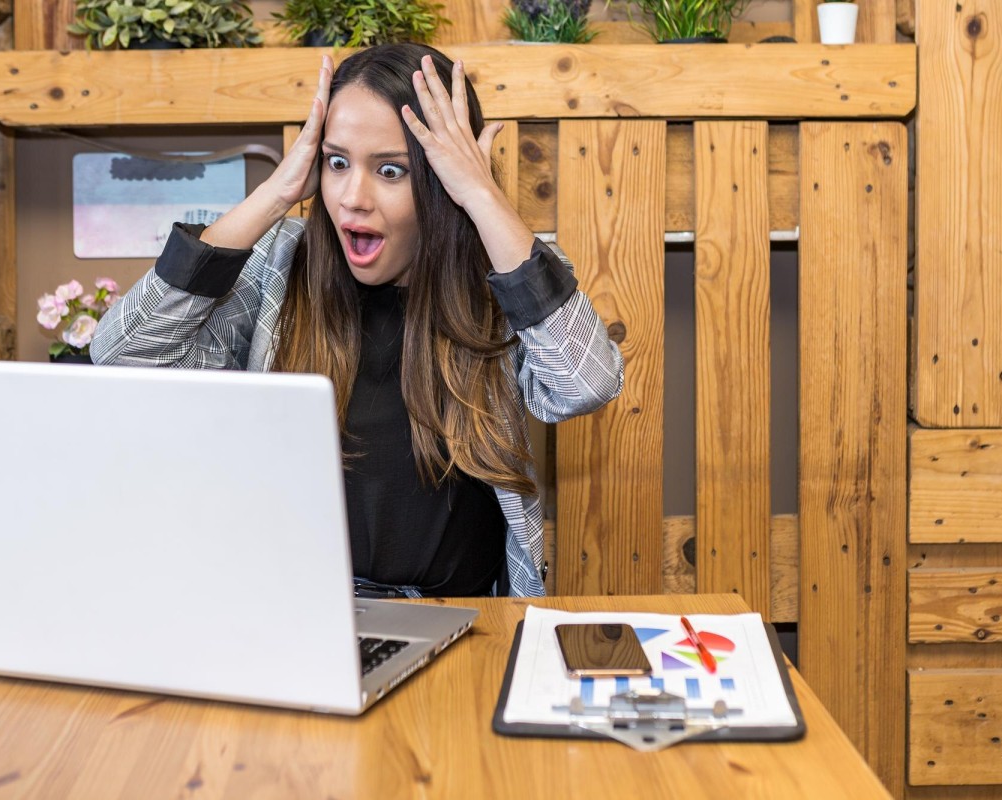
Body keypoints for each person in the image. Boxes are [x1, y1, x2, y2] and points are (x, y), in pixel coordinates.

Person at [91, 43, 623, 598]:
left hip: (465, 620)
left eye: (391, 170)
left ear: (443, 181)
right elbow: (124, 350)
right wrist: (276, 193)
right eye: (337, 162)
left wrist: (481, 197)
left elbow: (585, 384)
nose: (352, 197)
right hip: (298, 612)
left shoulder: (507, 275)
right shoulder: (281, 263)